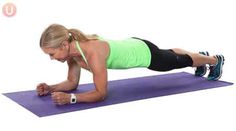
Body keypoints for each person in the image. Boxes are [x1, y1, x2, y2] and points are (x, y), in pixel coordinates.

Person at [37, 24, 225, 105]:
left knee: (180, 61)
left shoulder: (92, 52)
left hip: (144, 54)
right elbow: (72, 82)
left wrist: (71, 99)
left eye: (52, 54)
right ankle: (200, 58)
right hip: (133, 43)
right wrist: (51, 88)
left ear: (63, 45)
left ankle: (214, 60)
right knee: (170, 54)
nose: (52, 58)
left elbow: (101, 94)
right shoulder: (73, 53)